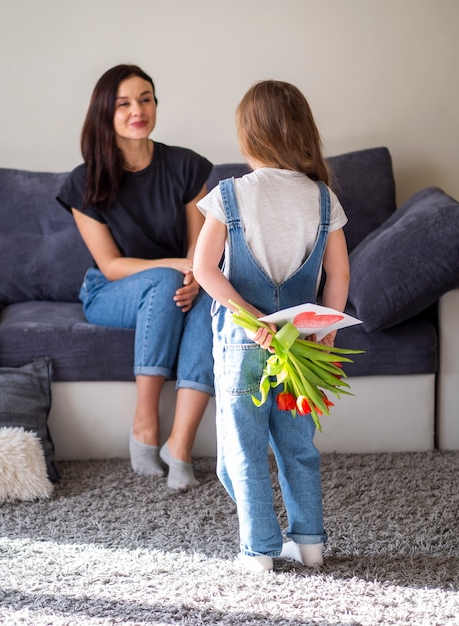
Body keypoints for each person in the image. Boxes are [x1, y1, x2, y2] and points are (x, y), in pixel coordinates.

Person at [193, 80, 350, 571]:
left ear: (249, 137)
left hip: (243, 343)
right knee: (298, 446)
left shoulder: (229, 196)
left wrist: (249, 315)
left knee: (241, 450)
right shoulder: (323, 198)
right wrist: (328, 332)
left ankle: (258, 551)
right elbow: (339, 272)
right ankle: (310, 546)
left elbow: (203, 270)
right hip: (302, 350)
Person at [56, 64, 214, 491]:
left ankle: (179, 445)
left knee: (211, 300)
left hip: (180, 282)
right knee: (167, 281)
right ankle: (146, 423)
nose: (137, 110)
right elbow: (109, 264)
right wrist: (177, 268)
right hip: (110, 292)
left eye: (145, 98)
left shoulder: (186, 167)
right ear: (105, 113)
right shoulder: (85, 180)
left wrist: (199, 278)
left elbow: (197, 250)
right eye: (124, 103)